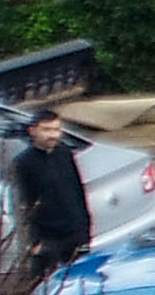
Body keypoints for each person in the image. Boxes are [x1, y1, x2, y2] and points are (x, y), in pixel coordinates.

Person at [8, 108, 96, 283]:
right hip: (49, 240)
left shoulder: (64, 153)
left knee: (82, 281)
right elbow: (22, 204)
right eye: (47, 130)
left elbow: (77, 190)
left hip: (75, 234)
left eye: (56, 130)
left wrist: (85, 226)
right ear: (32, 131)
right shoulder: (22, 164)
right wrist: (34, 242)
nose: (53, 135)